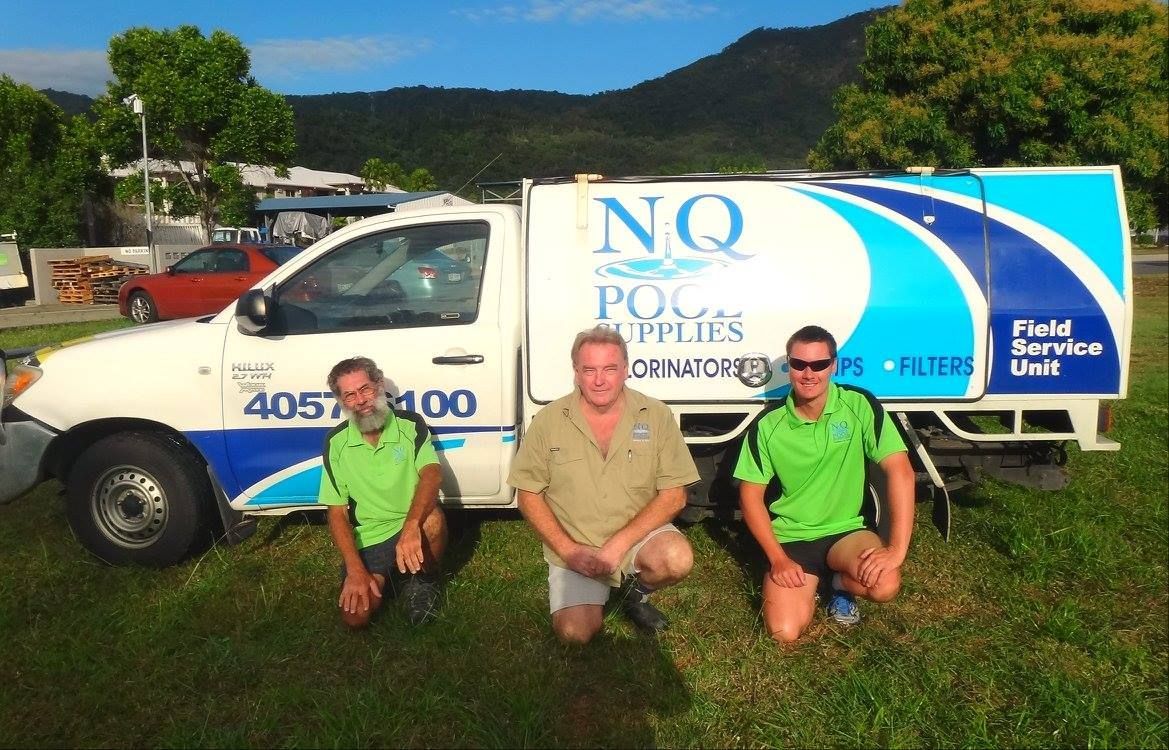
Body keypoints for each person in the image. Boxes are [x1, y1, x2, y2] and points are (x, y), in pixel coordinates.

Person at [508, 325, 700, 644]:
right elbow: (528, 495)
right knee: (574, 635)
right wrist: (568, 551)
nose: (599, 380)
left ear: (626, 369)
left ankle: (635, 593)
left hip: (636, 535)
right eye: (590, 370)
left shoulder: (656, 415)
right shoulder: (548, 421)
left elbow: (674, 496)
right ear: (576, 373)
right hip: (577, 543)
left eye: (610, 369)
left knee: (676, 558)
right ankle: (593, 590)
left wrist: (618, 546)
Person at [734, 325, 915, 643]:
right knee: (784, 633)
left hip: (848, 531)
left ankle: (839, 585)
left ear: (833, 365)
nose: (808, 374)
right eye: (798, 364)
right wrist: (778, 559)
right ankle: (817, 583)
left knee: (885, 584)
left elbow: (901, 471)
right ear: (788, 366)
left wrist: (896, 551)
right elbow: (750, 497)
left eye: (818, 364)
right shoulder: (768, 425)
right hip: (792, 539)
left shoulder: (858, 404)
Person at [319, 356, 447, 628]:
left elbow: (432, 474)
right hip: (371, 536)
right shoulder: (335, 442)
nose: (360, 400)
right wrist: (355, 569)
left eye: (364, 389)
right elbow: (337, 512)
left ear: (378, 386)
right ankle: (390, 576)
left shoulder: (410, 424)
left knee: (434, 520)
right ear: (342, 402)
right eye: (350, 395)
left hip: (411, 525)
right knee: (355, 617)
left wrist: (411, 526)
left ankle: (423, 581)